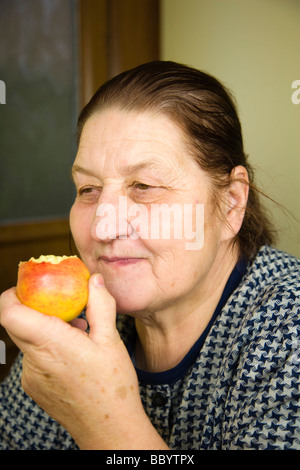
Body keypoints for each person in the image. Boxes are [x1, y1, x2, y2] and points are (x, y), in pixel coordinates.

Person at [0, 61, 299, 450]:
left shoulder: (290, 330)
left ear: (231, 204)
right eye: (88, 189)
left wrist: (100, 419)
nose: (102, 229)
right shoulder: (70, 329)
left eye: (144, 186)